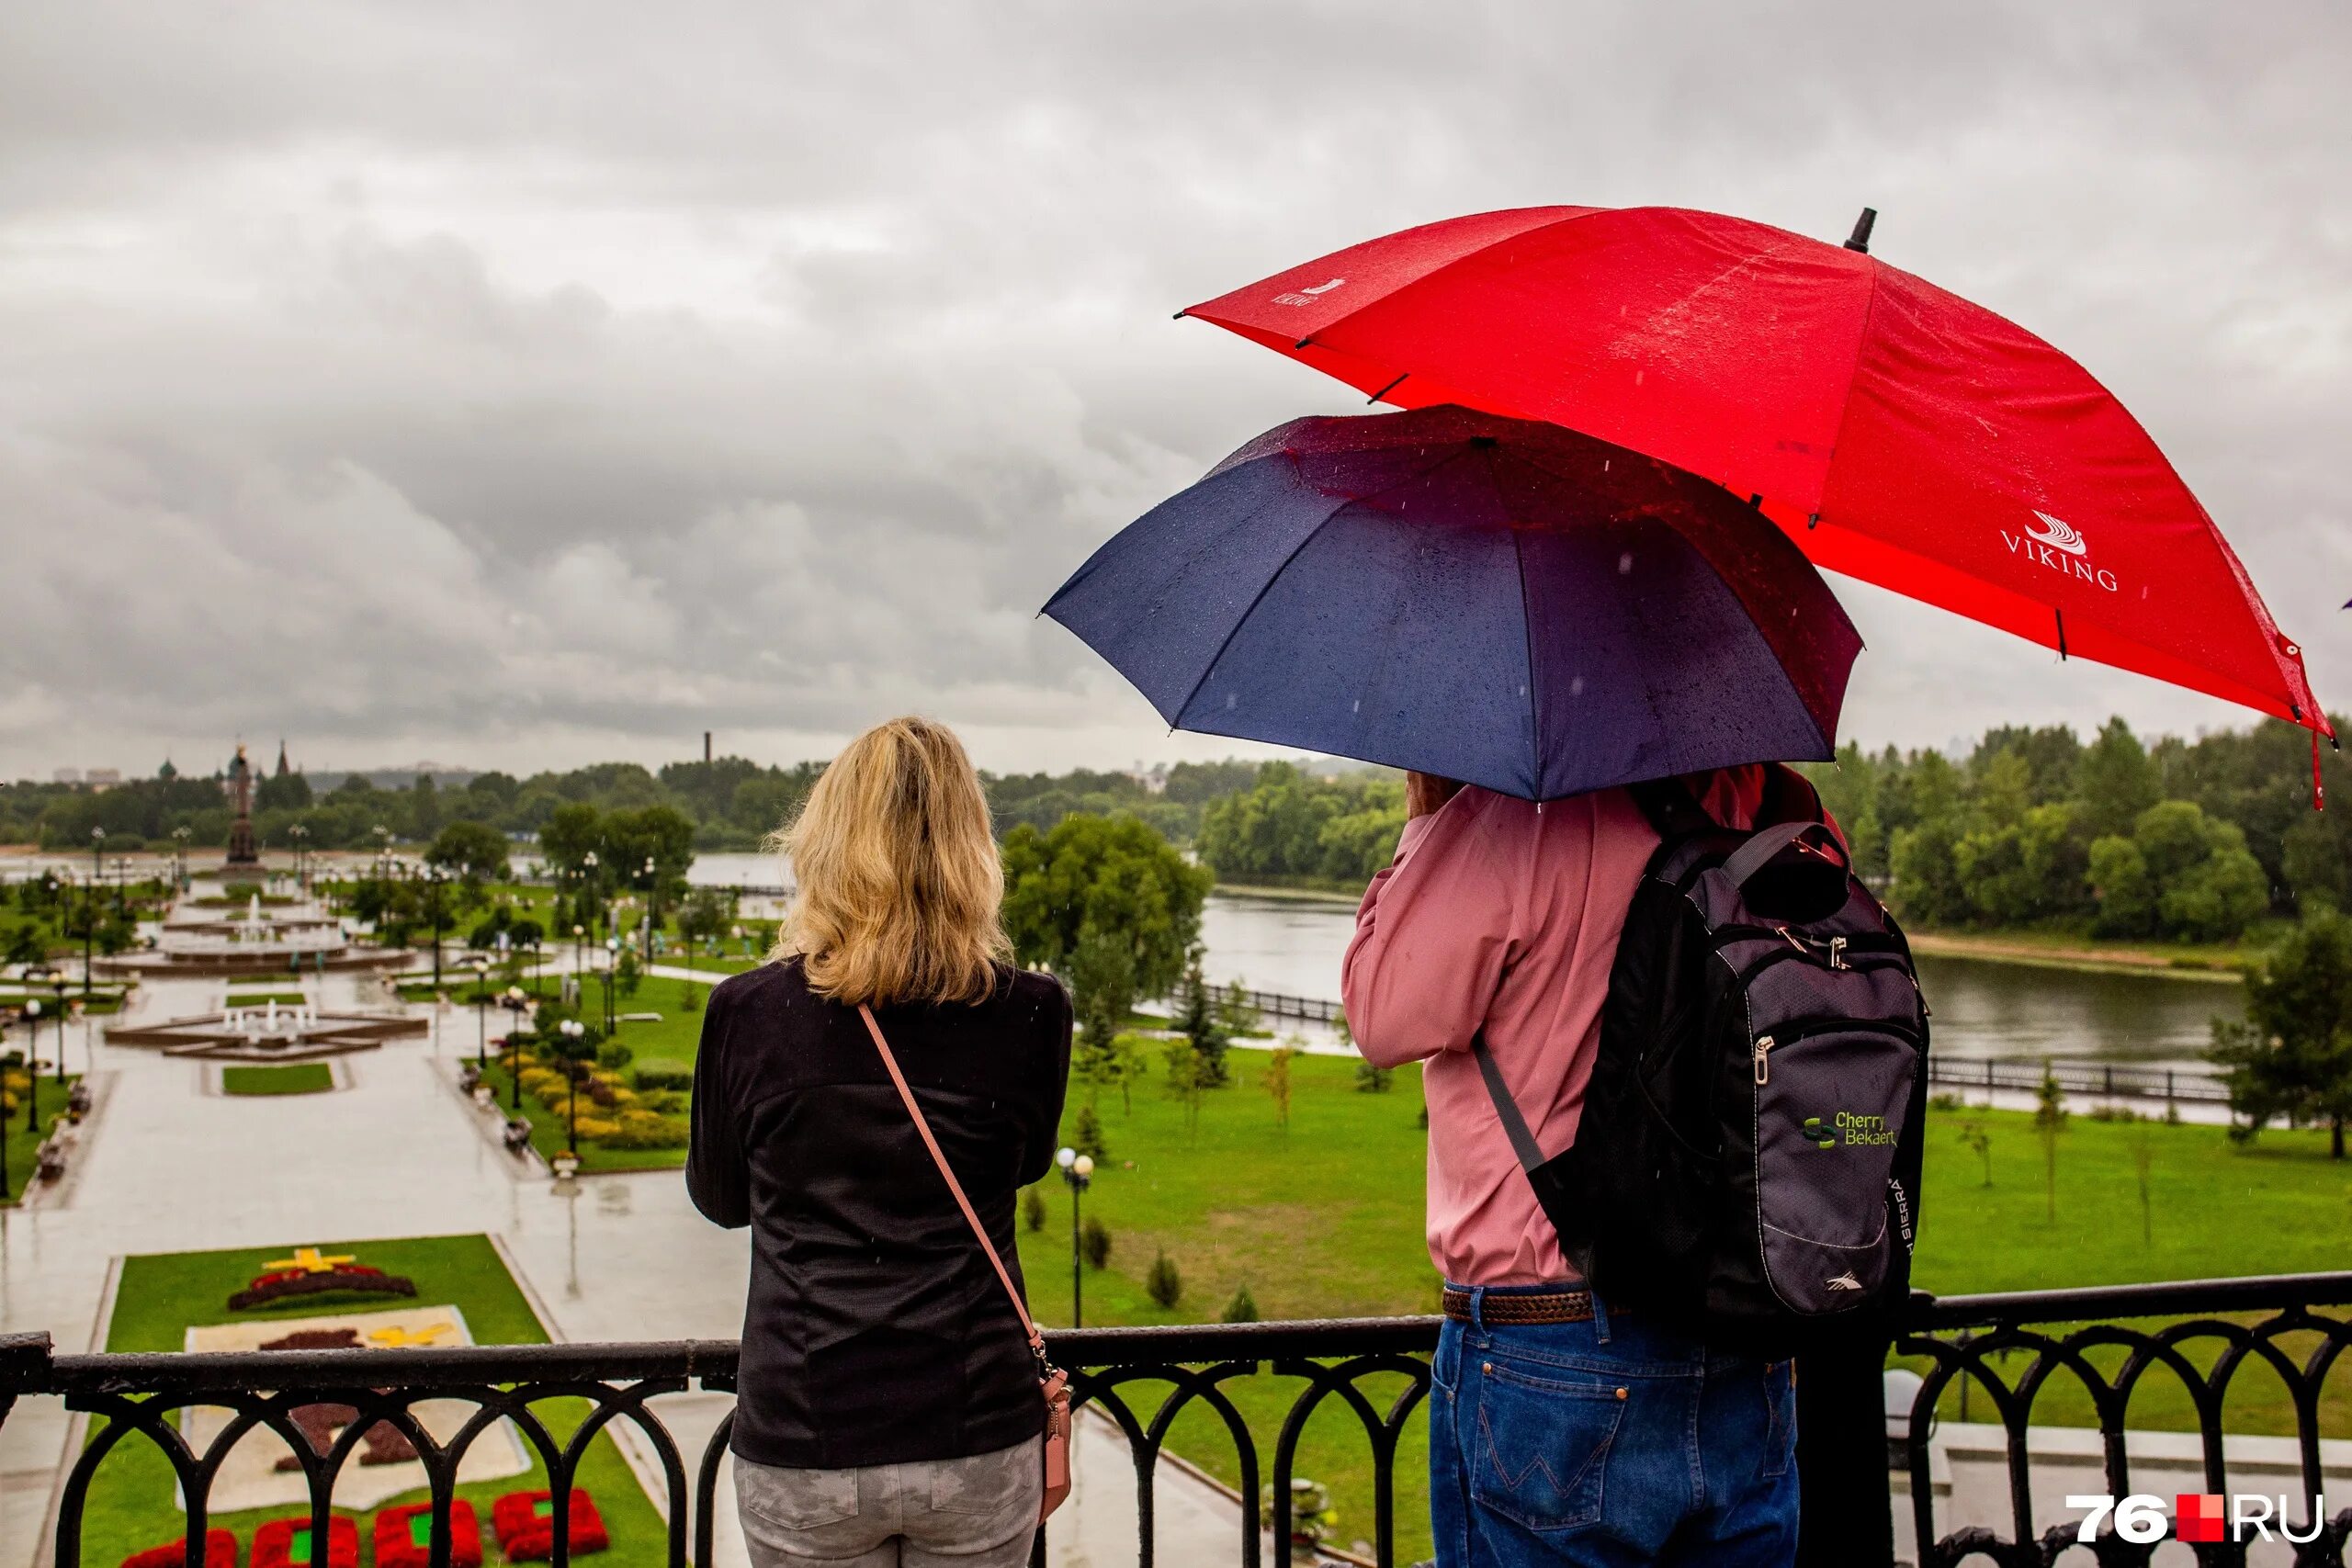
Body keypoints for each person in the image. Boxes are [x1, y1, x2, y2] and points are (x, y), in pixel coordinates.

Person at [1342, 766, 1799, 1567]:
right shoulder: (1758, 804)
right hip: (1738, 1329)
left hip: (1550, 1344)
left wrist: (1427, 818)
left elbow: (1381, 1012)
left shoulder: (1511, 819)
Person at [688, 716, 1072, 1568]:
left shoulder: (750, 1015)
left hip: (806, 1425)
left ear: (826, 842)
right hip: (976, 1423)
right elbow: (1026, 1165)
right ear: (970, 849)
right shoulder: (1032, 1011)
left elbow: (720, 1200)